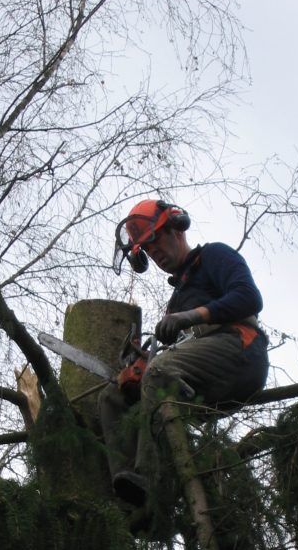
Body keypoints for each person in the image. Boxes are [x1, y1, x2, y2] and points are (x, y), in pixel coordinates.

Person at [99, 199, 269, 508]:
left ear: (176, 229)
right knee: (112, 398)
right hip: (198, 375)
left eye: (156, 242)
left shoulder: (213, 256)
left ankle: (152, 480)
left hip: (240, 351)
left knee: (161, 371)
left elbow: (249, 298)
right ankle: (128, 491)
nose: (156, 254)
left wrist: (190, 317)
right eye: (148, 252)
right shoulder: (176, 299)